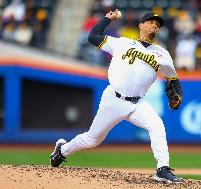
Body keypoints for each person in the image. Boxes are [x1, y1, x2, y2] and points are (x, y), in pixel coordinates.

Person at [50, 9, 183, 184]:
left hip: (138, 104)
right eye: (151, 22)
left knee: (157, 125)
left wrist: (177, 93)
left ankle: (162, 169)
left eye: (157, 25)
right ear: (141, 25)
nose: (154, 26)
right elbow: (93, 36)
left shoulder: (163, 54)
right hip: (113, 99)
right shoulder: (121, 43)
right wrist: (107, 19)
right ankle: (62, 150)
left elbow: (173, 79)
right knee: (92, 139)